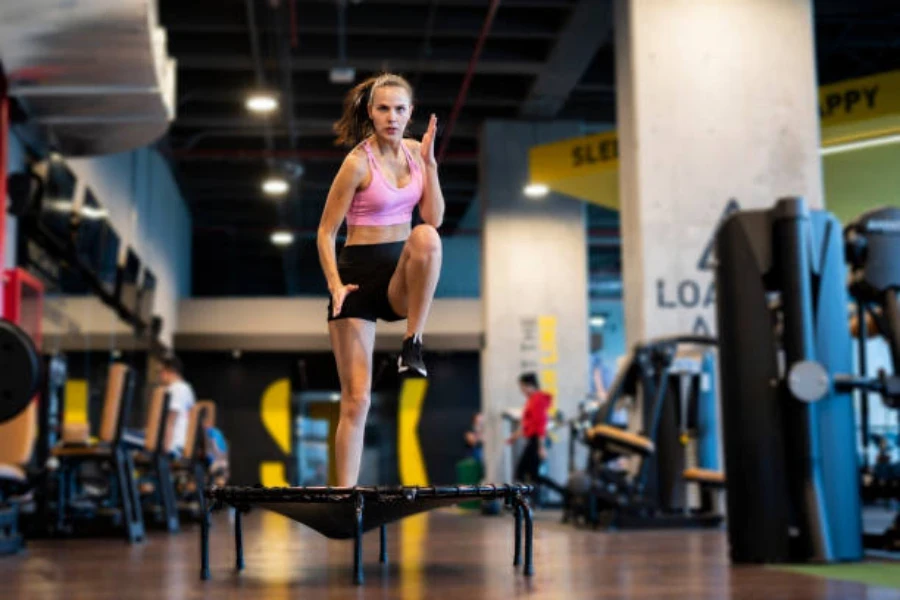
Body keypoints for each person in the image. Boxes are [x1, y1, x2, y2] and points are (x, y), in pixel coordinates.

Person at [317, 72, 444, 486]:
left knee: (426, 236)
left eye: (400, 109)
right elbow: (324, 232)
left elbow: (433, 217)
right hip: (357, 276)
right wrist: (335, 285)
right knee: (357, 399)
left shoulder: (414, 153)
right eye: (384, 108)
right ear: (371, 112)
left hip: (398, 274)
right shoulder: (357, 162)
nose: (392, 116)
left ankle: (413, 343)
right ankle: (344, 495)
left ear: (411, 114)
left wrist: (430, 165)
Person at [159, 353, 197, 457]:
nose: (160, 376)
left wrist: (165, 451)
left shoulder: (176, 389)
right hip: (181, 445)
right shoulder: (187, 388)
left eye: (161, 372)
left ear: (171, 371)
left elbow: (170, 421)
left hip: (174, 446)